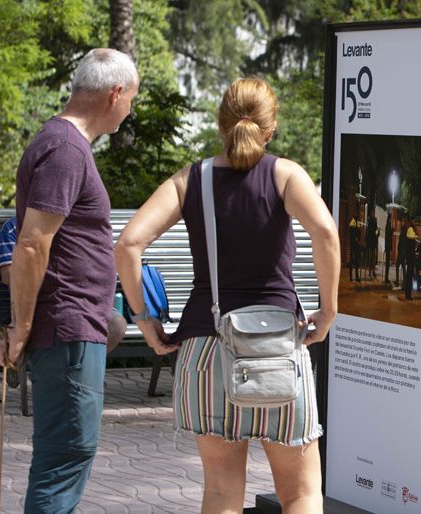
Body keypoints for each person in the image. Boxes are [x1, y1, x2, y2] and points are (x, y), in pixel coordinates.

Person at [115, 77, 339, 514]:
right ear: (270, 129)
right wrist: (327, 311)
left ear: (221, 125)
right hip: (277, 349)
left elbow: (127, 244)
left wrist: (145, 321)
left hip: (205, 352)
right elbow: (325, 232)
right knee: (300, 492)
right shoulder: (286, 175)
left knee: (220, 492)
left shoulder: (189, 180)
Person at [0, 48, 138, 513]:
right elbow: (32, 243)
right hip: (67, 331)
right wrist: (19, 327)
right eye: (131, 99)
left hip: (72, 329)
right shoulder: (65, 148)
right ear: (114, 93)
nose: (130, 109)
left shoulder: (61, 143)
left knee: (62, 459)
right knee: (65, 459)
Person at [0, 216, 127, 353]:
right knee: (71, 321)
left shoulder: (71, 226)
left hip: (82, 298)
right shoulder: (14, 227)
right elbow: (8, 275)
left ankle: (83, 367)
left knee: (117, 324)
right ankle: (63, 369)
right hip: (39, 302)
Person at [402, 218, 418, 300]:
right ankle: (408, 295)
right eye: (415, 222)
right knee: (409, 276)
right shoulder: (411, 230)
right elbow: (412, 243)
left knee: (409, 276)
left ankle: (408, 294)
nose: (416, 224)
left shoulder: (410, 230)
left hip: (409, 257)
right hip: (410, 257)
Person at [365, 211, 379, 279]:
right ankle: (370, 272)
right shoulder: (369, 222)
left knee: (373, 258)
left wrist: (377, 233)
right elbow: (367, 232)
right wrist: (367, 240)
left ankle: (372, 272)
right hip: (371, 243)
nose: (374, 215)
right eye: (373, 213)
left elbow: (376, 231)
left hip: (373, 242)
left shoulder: (374, 222)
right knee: (371, 258)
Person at [348, 214, 362, 282]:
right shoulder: (352, 222)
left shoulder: (357, 222)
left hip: (356, 244)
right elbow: (351, 232)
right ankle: (351, 277)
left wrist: (359, 239)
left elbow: (359, 232)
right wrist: (355, 239)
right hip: (353, 244)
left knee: (356, 261)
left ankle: (356, 276)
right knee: (352, 261)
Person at [383, 213, 393, 284]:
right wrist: (392, 230)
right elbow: (389, 236)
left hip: (387, 246)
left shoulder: (387, 224)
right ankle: (386, 278)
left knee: (387, 263)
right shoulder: (388, 225)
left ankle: (386, 278)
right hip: (388, 246)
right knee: (387, 263)